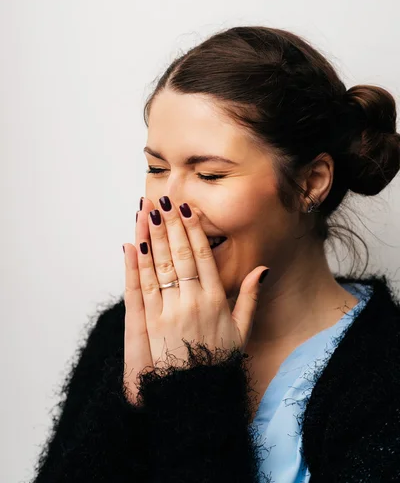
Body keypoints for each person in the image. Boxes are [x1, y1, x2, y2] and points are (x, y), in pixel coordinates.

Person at [31, 26, 400, 483]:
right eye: (156, 168)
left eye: (209, 175)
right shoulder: (122, 335)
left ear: (312, 181)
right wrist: (130, 403)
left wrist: (192, 390)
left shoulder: (387, 374)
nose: (171, 203)